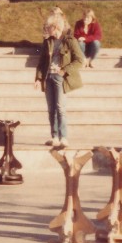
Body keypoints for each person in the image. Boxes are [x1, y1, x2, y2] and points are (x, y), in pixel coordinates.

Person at [34, 12, 84, 148]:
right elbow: (42, 62)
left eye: (48, 27)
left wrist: (64, 70)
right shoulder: (47, 41)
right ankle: (54, 136)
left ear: (56, 27)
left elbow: (80, 60)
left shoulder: (70, 41)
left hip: (60, 78)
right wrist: (38, 78)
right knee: (51, 109)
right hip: (48, 77)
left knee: (60, 108)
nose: (46, 29)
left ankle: (64, 138)